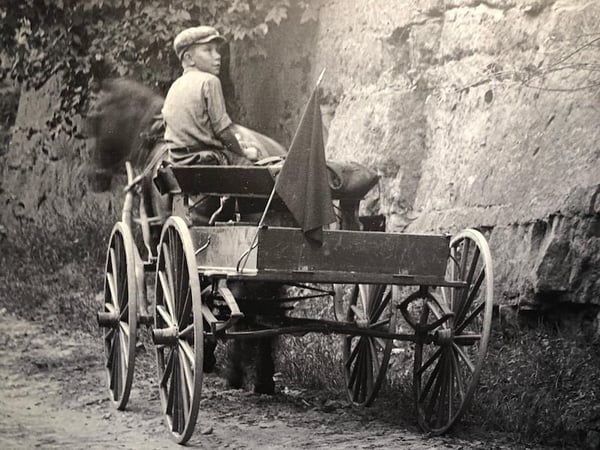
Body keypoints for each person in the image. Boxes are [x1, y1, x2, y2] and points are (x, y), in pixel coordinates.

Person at [162, 25, 258, 166]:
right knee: (257, 168)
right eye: (208, 50)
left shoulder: (175, 86)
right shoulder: (209, 81)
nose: (217, 56)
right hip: (208, 159)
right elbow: (223, 131)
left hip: (178, 160)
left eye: (217, 50)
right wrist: (243, 153)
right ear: (189, 59)